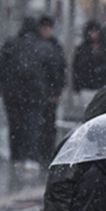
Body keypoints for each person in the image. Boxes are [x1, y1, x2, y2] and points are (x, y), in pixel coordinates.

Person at [0, 17, 52, 171]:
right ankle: (30, 157)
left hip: (12, 93)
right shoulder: (42, 46)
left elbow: (0, 66)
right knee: (32, 125)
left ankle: (16, 156)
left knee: (15, 125)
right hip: (34, 93)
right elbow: (53, 69)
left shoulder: (11, 44)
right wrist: (52, 90)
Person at [38, 15, 67, 167]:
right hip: (39, 93)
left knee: (49, 124)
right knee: (42, 124)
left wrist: (56, 91)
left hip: (49, 93)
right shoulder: (50, 47)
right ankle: (43, 153)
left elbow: (60, 71)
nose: (46, 31)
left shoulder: (54, 47)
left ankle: (47, 152)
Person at [71, 20, 106, 105]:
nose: (93, 34)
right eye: (91, 31)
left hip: (102, 86)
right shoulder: (82, 49)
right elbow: (76, 69)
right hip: (86, 87)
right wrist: (77, 88)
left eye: (95, 31)